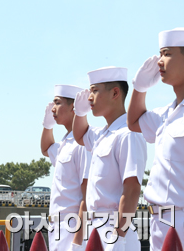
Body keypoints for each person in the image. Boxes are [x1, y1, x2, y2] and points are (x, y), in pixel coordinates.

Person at [72, 67, 146, 250]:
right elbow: (80, 135)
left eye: (95, 91)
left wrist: (118, 236)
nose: (90, 97)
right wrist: (80, 113)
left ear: (115, 93)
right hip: (96, 227)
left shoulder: (128, 134)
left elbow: (131, 190)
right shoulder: (103, 134)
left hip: (114, 228)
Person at [127, 28, 184, 250]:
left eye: (167, 54)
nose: (160, 62)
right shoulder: (165, 114)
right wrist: (139, 89)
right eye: (160, 54)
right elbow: (134, 122)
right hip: (159, 219)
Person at [40, 85, 91, 251]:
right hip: (57, 226)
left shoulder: (83, 143)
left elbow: (87, 195)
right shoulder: (66, 142)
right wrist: (47, 126)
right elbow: (46, 148)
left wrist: (77, 241)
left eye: (57, 102)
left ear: (73, 107)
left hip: (71, 225)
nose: (53, 108)